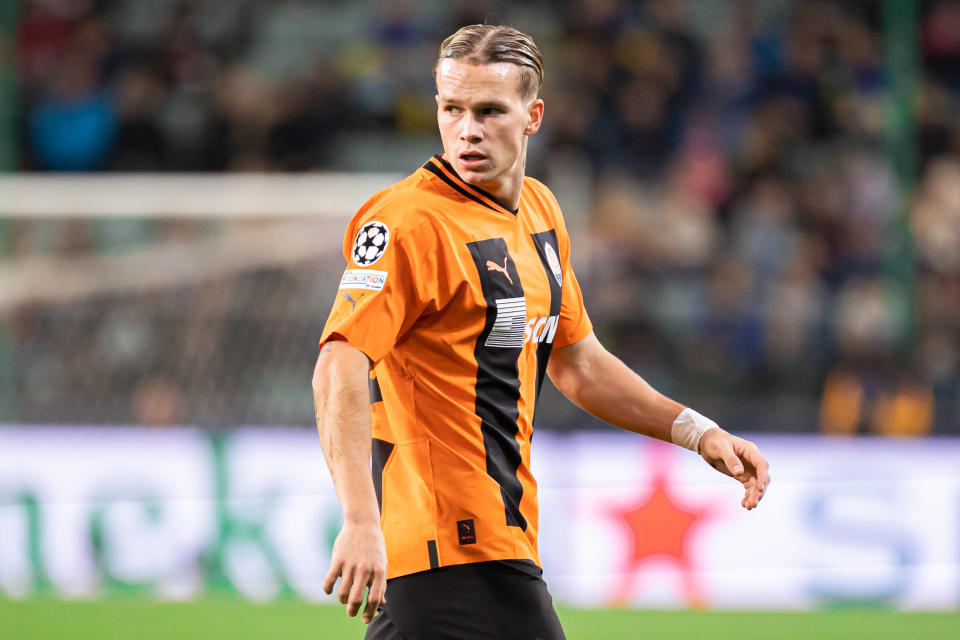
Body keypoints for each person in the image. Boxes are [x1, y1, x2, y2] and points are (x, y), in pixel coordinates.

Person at [313, 24, 771, 640]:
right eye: (452, 109)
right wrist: (360, 519)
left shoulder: (540, 212)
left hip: (498, 533)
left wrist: (697, 430)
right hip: (455, 538)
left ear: (533, 116)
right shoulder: (407, 223)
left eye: (489, 110)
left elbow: (577, 363)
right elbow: (340, 360)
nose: (467, 129)